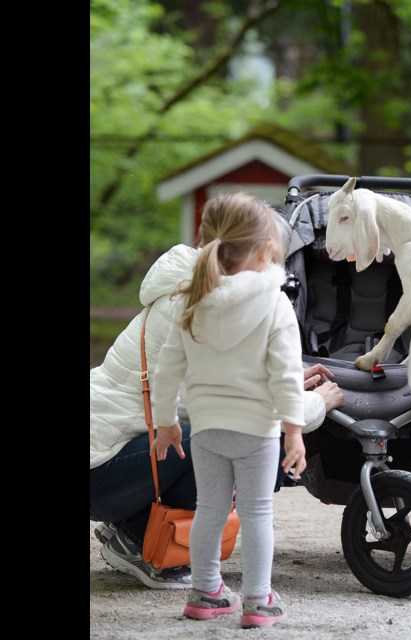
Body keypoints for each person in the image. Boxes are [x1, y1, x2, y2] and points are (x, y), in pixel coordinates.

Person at [90, 212, 343, 591]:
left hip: (111, 455)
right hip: (103, 472)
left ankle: (131, 527)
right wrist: (316, 403)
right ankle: (139, 535)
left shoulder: (190, 285)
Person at [147, 192, 307, 628]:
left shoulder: (190, 301)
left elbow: (166, 369)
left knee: (210, 509)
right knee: (256, 514)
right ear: (265, 251)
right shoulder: (275, 303)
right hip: (257, 431)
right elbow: (286, 373)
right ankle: (258, 600)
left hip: (206, 429)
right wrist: (294, 429)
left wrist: (165, 423)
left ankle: (205, 591)